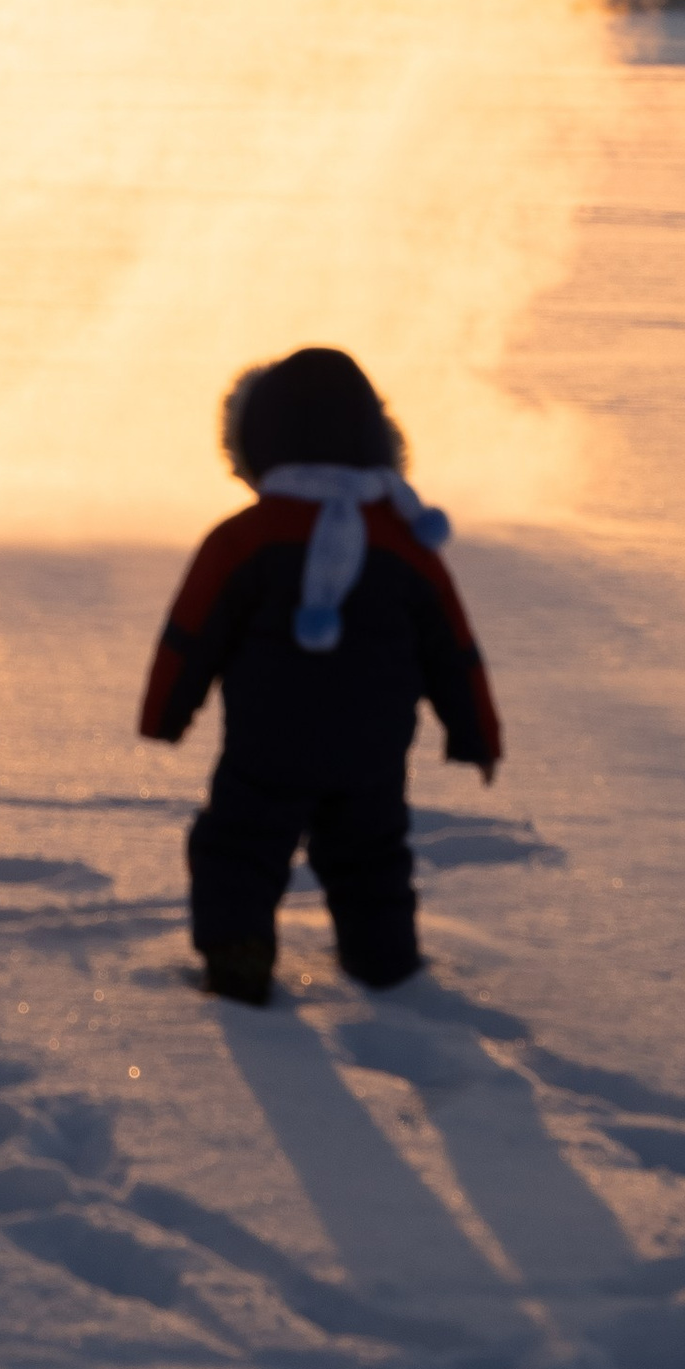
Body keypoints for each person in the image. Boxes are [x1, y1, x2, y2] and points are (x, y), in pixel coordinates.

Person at [137, 345, 501, 1006]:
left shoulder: (242, 539)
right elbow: (455, 647)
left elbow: (190, 636)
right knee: (371, 861)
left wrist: (164, 715)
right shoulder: (404, 542)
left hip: (266, 748)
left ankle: (239, 960)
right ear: (378, 441)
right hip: (373, 750)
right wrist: (476, 733)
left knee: (239, 852)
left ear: (254, 444)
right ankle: (387, 970)